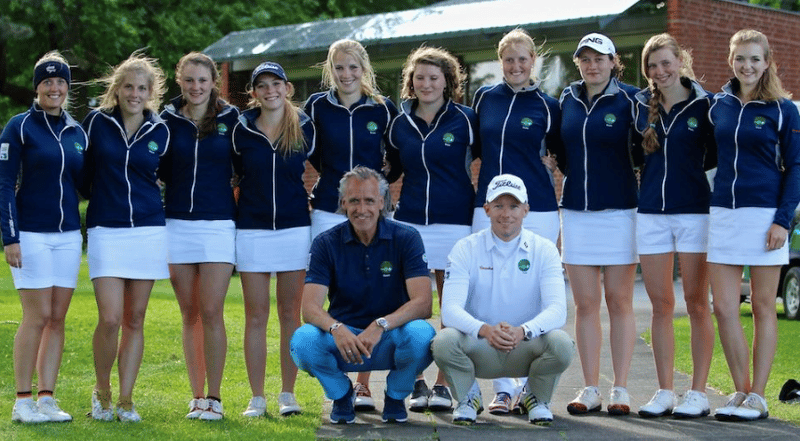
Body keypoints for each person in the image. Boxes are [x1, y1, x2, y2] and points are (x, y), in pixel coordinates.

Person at [290, 166, 435, 424]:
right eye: (354, 201)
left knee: (422, 334)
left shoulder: (407, 238)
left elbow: (423, 304)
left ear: (382, 202)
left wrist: (381, 324)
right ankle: (342, 393)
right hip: (345, 341)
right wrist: (336, 328)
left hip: (389, 337)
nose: (362, 208)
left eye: (369, 200)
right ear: (343, 203)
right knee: (303, 341)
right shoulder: (325, 242)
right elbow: (310, 308)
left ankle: (395, 395)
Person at [707, 29, 800, 422]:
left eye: (754, 59)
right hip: (722, 215)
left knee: (764, 306)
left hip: (765, 217)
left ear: (767, 62)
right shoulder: (717, 105)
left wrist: (782, 220)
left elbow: (796, 167)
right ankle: (741, 389)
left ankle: (759, 396)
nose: (747, 66)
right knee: (725, 308)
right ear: (731, 60)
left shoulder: (783, 108)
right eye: (740, 58)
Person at [432, 174, 574, 426]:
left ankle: (536, 398)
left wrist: (523, 331)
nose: (506, 214)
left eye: (514, 206)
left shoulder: (545, 249)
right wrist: (485, 330)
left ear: (526, 210)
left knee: (561, 343)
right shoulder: (465, 248)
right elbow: (450, 311)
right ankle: (468, 398)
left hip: (525, 346)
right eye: (498, 206)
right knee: (443, 341)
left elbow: (557, 310)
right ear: (486, 209)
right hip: (479, 347)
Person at [471, 28, 562, 415]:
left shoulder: (548, 105)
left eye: (523, 59)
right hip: (488, 206)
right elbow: (472, 147)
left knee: (533, 294)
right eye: (509, 59)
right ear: (500, 61)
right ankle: (503, 388)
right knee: (491, 293)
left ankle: (529, 386)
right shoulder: (484, 99)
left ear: (533, 62)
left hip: (537, 208)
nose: (516, 66)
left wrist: (554, 162)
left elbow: (563, 150)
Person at [385, 45, 480, 411]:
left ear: (448, 82)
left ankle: (443, 383)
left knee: (451, 306)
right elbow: (390, 169)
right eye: (419, 77)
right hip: (410, 223)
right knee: (412, 305)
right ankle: (416, 380)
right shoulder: (399, 122)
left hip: (456, 220)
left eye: (433, 77)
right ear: (411, 82)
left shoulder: (466, 119)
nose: (426, 83)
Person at [305, 41, 398, 409]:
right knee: (331, 290)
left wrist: (379, 193)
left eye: (353, 68)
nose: (347, 75)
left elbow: (397, 156)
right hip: (328, 207)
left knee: (372, 289)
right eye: (339, 68)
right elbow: (306, 151)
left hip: (372, 211)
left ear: (364, 69)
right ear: (331, 70)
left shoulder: (382, 108)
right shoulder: (316, 106)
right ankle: (339, 381)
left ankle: (363, 383)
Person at [81, 52, 170, 422]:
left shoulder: (161, 130)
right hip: (106, 228)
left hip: (148, 229)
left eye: (142, 88)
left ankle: (127, 399)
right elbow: (81, 173)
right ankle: (102, 392)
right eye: (128, 86)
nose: (135, 94)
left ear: (151, 93)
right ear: (117, 90)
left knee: (136, 317)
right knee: (111, 317)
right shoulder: (96, 123)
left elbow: (167, 176)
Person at [633, 34, 717, 419]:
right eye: (653, 66)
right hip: (650, 213)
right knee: (661, 304)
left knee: (698, 303)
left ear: (680, 61)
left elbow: (717, 158)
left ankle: (698, 392)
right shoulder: (639, 106)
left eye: (666, 63)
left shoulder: (706, 106)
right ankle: (665, 390)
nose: (660, 71)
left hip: (694, 212)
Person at [557, 33, 641, 416]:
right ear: (579, 63)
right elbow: (559, 150)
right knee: (585, 304)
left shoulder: (631, 100)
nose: (592, 65)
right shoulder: (567, 99)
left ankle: (620, 389)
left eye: (599, 58)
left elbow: (644, 151)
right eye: (585, 59)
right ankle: (590, 387)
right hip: (575, 212)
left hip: (621, 212)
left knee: (620, 301)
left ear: (613, 62)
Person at [1, 52, 86, 423]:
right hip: (31, 234)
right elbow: (4, 184)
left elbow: (85, 183)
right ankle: (22, 400)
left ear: (68, 87)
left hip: (68, 236)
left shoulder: (77, 131)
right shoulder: (19, 127)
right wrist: (10, 236)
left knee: (58, 318)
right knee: (36, 316)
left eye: (60, 82)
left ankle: (47, 398)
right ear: (37, 87)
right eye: (47, 82)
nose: (54, 88)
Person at [232, 61, 315, 418]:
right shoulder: (239, 129)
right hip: (251, 229)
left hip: (295, 229)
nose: (270, 91)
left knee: (289, 315)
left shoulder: (305, 126)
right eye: (262, 85)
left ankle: (287, 394)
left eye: (276, 84)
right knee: (255, 315)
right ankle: (257, 397)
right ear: (253, 92)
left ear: (287, 87)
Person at [159, 52, 239, 420]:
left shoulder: (232, 118)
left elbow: (245, 166)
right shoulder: (164, 120)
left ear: (213, 83)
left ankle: (216, 397)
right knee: (189, 312)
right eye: (189, 80)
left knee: (211, 310)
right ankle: (196, 397)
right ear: (180, 81)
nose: (196, 87)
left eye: (202, 81)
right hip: (176, 225)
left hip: (218, 225)